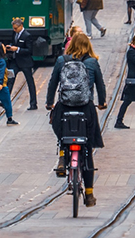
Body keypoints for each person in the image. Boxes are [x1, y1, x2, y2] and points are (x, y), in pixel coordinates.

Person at [46, 33, 107, 208]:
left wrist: (50, 103)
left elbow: (52, 84)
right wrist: (102, 102)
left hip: (64, 108)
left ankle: (63, 157)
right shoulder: (92, 63)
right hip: (86, 110)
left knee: (61, 133)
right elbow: (100, 85)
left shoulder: (61, 61)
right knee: (86, 149)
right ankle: (89, 194)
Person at [6, 19, 38, 110]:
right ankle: (5, 101)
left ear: (21, 26)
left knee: (30, 82)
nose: (14, 30)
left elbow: (29, 50)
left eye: (16, 28)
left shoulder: (27, 36)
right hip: (15, 61)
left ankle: (33, 103)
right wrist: (10, 47)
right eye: (13, 28)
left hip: (25, 62)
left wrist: (17, 49)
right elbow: (14, 42)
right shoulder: (14, 33)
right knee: (10, 80)